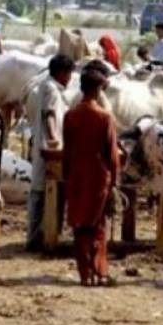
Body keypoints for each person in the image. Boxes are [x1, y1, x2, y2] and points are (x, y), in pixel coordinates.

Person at [63, 70, 122, 287]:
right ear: (97, 90)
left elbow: (67, 151)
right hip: (98, 177)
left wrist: (67, 177)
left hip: (77, 176)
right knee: (98, 226)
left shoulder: (70, 116)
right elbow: (112, 155)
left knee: (80, 226)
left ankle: (85, 274)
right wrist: (115, 181)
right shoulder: (105, 118)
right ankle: (99, 272)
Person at [26, 54, 75, 251]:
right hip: (48, 148)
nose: (70, 78)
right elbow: (50, 115)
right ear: (62, 73)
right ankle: (36, 237)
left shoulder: (47, 86)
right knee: (41, 192)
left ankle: (43, 233)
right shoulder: (51, 89)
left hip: (43, 144)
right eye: (69, 74)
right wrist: (54, 139)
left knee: (43, 191)